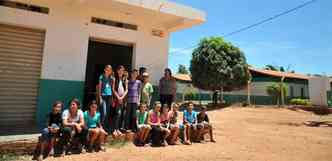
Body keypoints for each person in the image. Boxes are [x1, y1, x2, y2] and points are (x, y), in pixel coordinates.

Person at [111, 65, 128, 137]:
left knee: (121, 114)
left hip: (122, 99)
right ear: (117, 71)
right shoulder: (115, 79)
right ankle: (114, 129)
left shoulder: (125, 80)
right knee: (117, 113)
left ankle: (118, 129)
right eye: (120, 70)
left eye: (122, 70)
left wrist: (122, 97)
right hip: (117, 99)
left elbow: (126, 89)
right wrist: (118, 97)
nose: (121, 71)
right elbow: (113, 89)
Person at [98, 65, 114, 132]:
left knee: (107, 113)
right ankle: (100, 126)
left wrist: (112, 98)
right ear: (104, 70)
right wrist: (100, 97)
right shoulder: (101, 77)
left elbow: (112, 88)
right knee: (103, 112)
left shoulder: (111, 78)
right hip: (103, 96)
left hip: (109, 97)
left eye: (110, 70)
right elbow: (99, 87)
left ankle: (105, 127)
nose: (108, 71)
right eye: (107, 69)